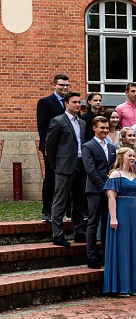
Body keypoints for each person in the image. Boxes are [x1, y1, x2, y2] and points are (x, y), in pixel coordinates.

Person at [45, 92, 87, 247]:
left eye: (79, 102)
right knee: (60, 200)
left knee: (78, 201)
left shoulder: (81, 123)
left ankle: (79, 231)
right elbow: (50, 146)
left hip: (80, 164)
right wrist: (55, 165)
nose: (78, 105)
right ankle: (57, 233)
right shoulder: (58, 121)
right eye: (74, 102)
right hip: (64, 166)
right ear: (66, 103)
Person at [102, 147, 136, 297]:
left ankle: (132, 286)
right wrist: (113, 217)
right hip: (120, 212)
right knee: (122, 247)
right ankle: (121, 286)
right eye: (130, 155)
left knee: (132, 247)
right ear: (122, 157)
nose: (132, 158)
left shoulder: (133, 175)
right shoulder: (115, 174)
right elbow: (111, 197)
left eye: (134, 156)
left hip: (133, 214)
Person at [81, 116, 117, 268]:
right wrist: (104, 187)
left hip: (109, 192)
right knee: (93, 223)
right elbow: (90, 170)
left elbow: (113, 168)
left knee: (106, 223)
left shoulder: (111, 147)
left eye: (107, 127)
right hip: (95, 190)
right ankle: (91, 256)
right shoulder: (87, 146)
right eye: (102, 127)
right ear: (94, 128)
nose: (105, 130)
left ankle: (104, 254)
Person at [37, 74, 71, 222]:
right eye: (61, 85)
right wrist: (46, 147)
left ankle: (68, 211)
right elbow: (42, 127)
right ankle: (47, 211)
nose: (64, 87)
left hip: (68, 148)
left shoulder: (70, 102)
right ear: (55, 85)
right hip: (52, 148)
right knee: (51, 179)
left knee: (69, 179)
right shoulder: (46, 103)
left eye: (66, 85)